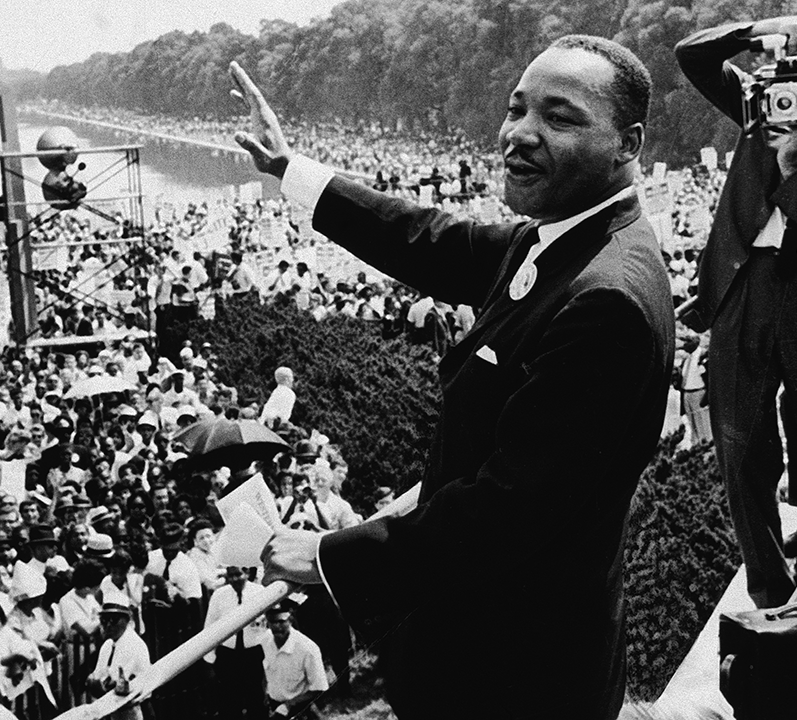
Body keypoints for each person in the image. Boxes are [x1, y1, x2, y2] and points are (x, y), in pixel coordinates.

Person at [232, 31, 674, 720]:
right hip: (496, 650)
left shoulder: (606, 299)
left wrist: (329, 555)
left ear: (629, 143)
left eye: (559, 118)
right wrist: (290, 169)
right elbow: (427, 240)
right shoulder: (560, 236)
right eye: (516, 108)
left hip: (517, 676)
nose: (520, 134)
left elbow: (505, 512)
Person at [675, 15, 797, 608]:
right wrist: (770, 30)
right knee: (742, 448)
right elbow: (692, 56)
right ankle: (770, 586)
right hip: (745, 282)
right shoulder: (763, 101)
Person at [202, 566, 268, 720]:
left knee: (256, 699)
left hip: (254, 654)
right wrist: (210, 660)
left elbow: (268, 627)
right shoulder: (219, 595)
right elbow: (210, 627)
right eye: (230, 576)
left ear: (247, 573)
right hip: (228, 655)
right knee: (229, 702)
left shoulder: (260, 592)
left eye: (238, 575)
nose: (234, 580)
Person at [258, 603, 326, 720]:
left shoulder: (307, 648)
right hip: (274, 707)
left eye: (281, 621)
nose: (277, 626)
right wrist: (265, 692)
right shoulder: (264, 641)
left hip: (301, 707)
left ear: (291, 620)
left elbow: (319, 687)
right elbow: (265, 671)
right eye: (272, 622)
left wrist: (289, 705)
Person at [85, 600, 149, 720]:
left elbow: (115, 686)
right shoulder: (108, 645)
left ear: (126, 620)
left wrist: (97, 684)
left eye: (114, 620)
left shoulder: (132, 643)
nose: (108, 625)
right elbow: (98, 676)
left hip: (135, 709)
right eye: (104, 620)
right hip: (115, 708)